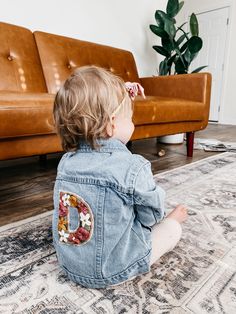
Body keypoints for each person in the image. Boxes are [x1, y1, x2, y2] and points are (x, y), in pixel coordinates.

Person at [52, 65, 188, 288]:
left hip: (69, 266)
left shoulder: (65, 163)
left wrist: (119, 94)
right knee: (171, 230)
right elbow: (150, 218)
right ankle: (175, 222)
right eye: (130, 117)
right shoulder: (132, 167)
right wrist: (166, 221)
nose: (132, 122)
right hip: (115, 269)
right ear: (111, 124)